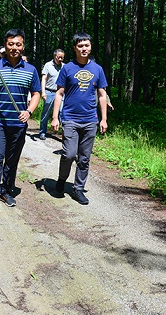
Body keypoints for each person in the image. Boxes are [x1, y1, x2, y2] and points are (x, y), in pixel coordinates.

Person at [0, 29, 41, 215]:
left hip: (18, 123)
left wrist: (29, 111)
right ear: (5, 45)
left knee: (12, 160)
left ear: (23, 46)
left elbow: (36, 93)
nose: (14, 48)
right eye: (11, 44)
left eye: (18, 44)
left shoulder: (30, 70)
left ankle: (6, 190)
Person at [51, 33, 108, 205]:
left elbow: (102, 95)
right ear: (75, 48)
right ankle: (62, 179)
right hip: (70, 118)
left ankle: (78, 189)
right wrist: (55, 117)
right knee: (68, 154)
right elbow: (59, 93)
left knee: (84, 158)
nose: (84, 49)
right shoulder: (67, 68)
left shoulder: (97, 69)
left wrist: (104, 119)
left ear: (90, 47)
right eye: (80, 46)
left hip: (90, 119)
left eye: (87, 46)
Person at [39, 49, 65, 140]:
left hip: (61, 93)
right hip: (49, 92)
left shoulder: (64, 67)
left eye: (62, 57)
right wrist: (43, 92)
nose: (60, 59)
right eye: (59, 57)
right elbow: (44, 79)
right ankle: (42, 131)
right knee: (46, 112)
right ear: (54, 56)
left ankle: (65, 134)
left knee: (62, 112)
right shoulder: (48, 65)